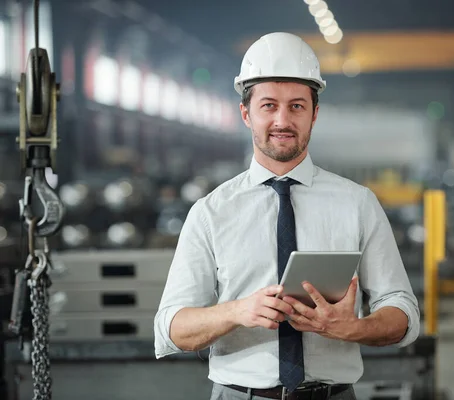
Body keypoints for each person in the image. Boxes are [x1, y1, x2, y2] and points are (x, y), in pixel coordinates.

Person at [154, 32, 420, 400]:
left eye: (296, 106)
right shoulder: (211, 212)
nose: (282, 120)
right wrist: (237, 311)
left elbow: (403, 311)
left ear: (315, 114)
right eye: (268, 106)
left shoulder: (357, 203)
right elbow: (171, 328)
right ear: (246, 113)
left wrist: (351, 327)